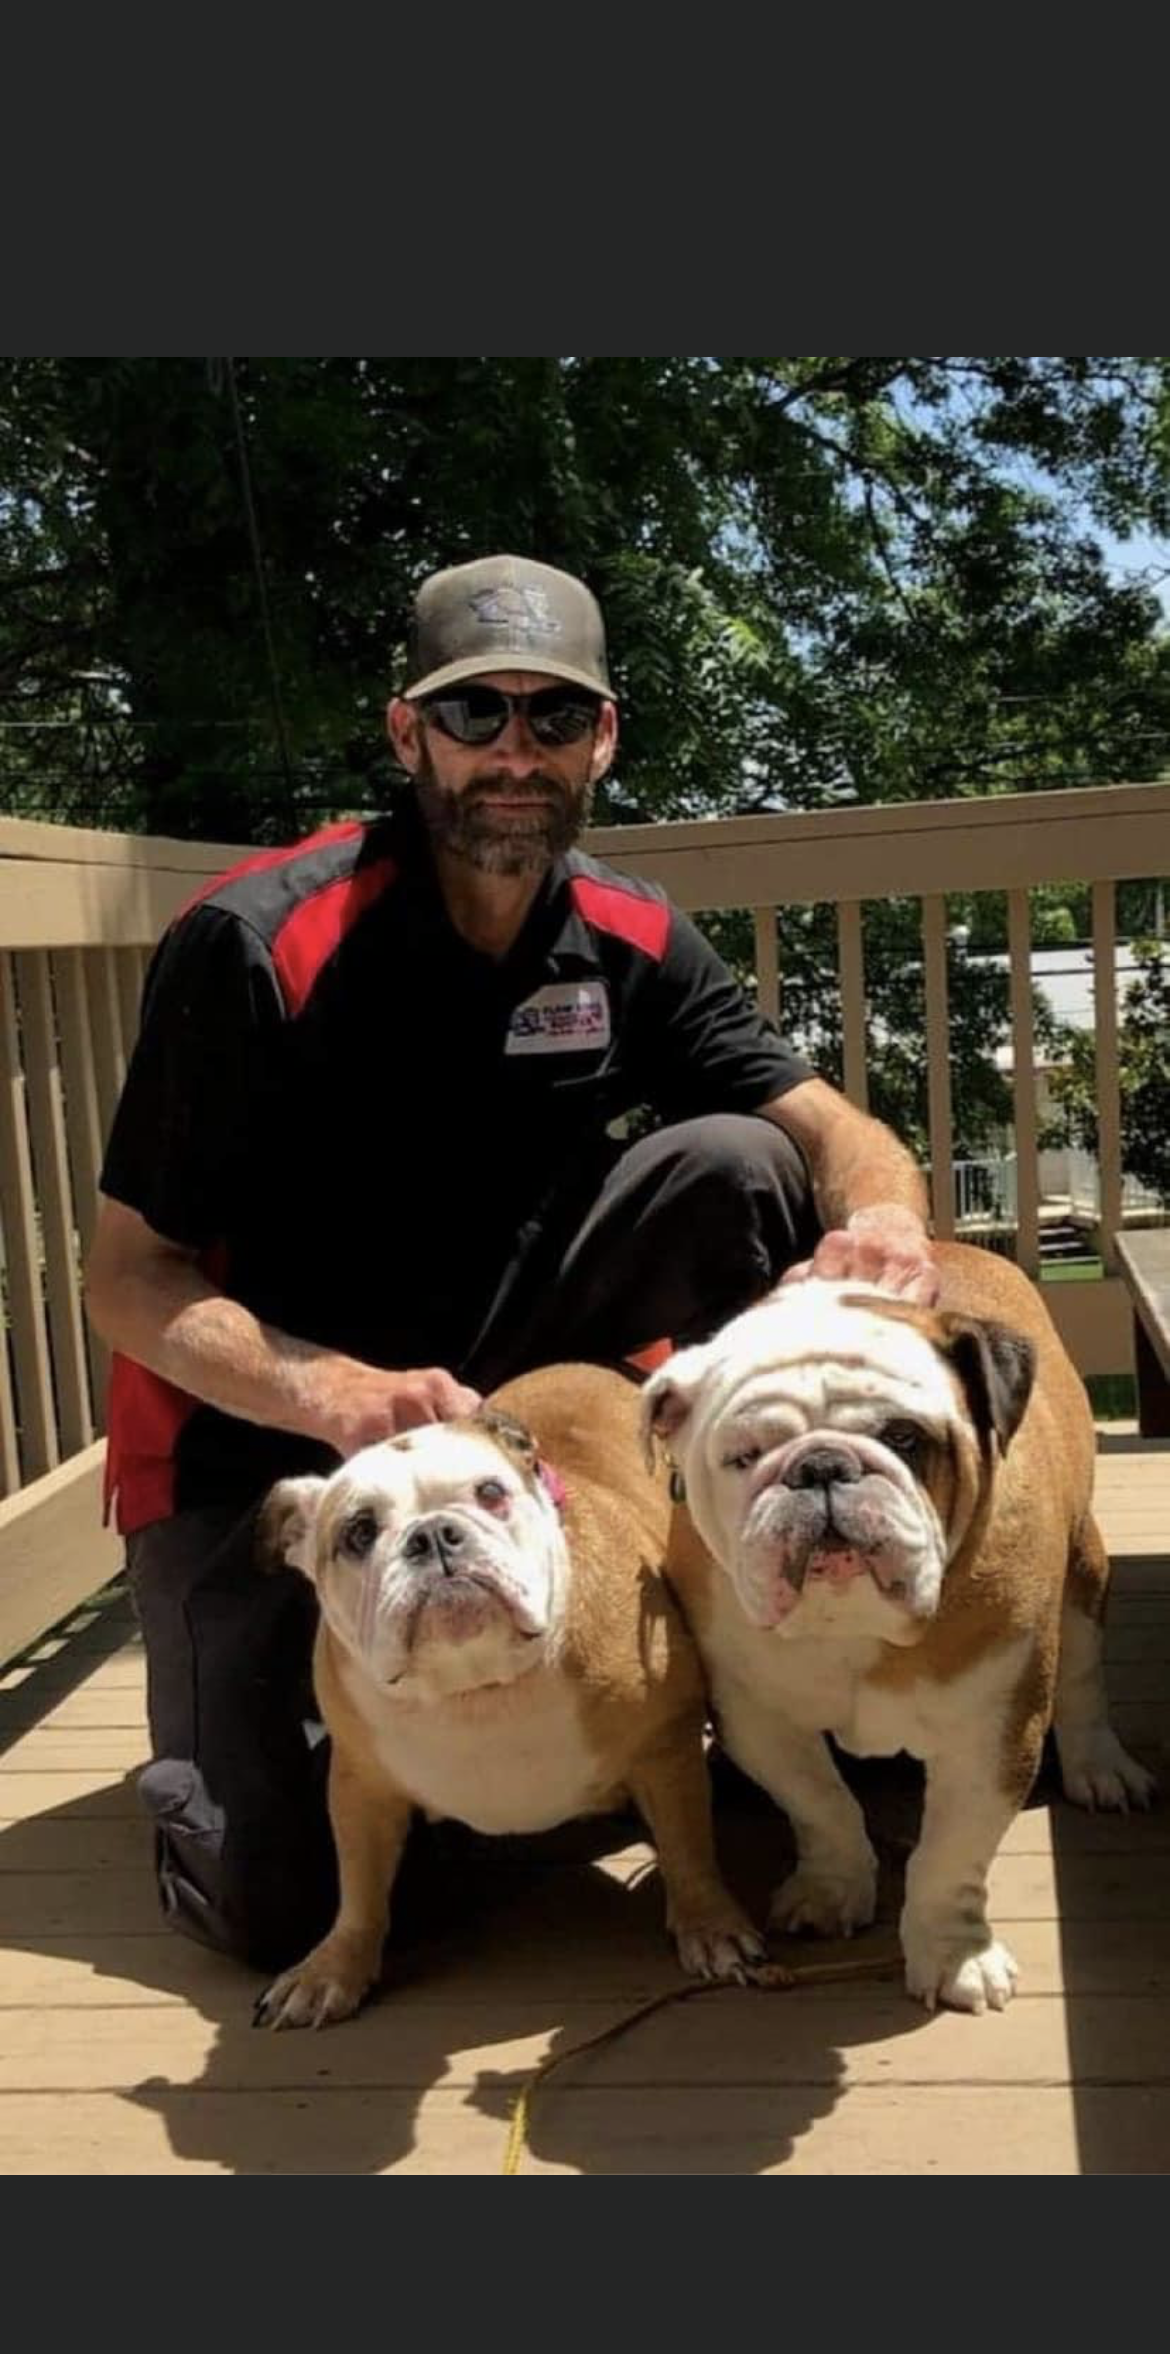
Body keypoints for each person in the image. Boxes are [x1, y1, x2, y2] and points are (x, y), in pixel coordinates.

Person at [84, 554, 938, 1969]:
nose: (513, 752)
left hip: (514, 1384)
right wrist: (331, 1396)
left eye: (554, 717)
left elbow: (832, 1129)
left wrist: (887, 1219)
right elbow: (127, 1281)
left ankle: (750, 1631)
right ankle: (534, 1768)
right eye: (474, 714)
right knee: (278, 1904)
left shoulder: (623, 931)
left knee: (737, 1159)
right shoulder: (253, 942)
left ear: (603, 738)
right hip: (271, 1436)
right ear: (405, 732)